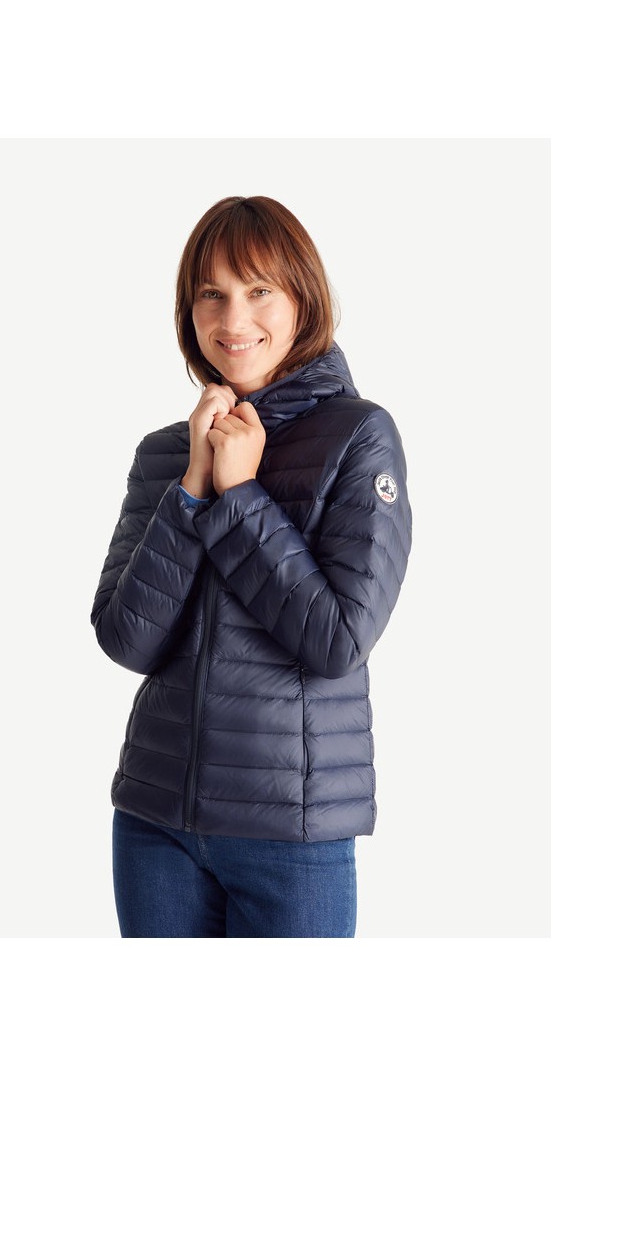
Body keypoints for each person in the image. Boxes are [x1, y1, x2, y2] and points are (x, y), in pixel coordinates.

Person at [91, 196, 412, 937]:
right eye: (212, 293)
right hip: (154, 824)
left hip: (289, 839)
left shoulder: (360, 438)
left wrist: (240, 496)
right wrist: (193, 488)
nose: (233, 318)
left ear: (304, 299)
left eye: (259, 289)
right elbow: (126, 639)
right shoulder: (167, 453)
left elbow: (337, 641)